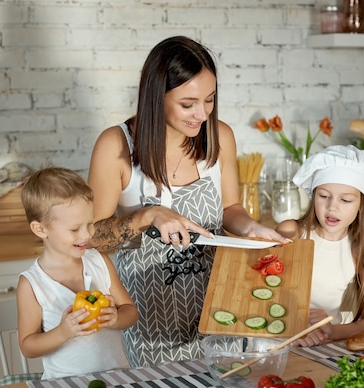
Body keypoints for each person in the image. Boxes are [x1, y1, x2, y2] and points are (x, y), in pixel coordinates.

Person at [87, 36, 288, 367]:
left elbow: (230, 210)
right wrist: (147, 215)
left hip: (220, 312)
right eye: (188, 104)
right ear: (156, 97)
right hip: (151, 322)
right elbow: (91, 236)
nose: (202, 113)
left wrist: (251, 227)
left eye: (209, 100)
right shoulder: (116, 145)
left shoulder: (219, 136)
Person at [17, 167, 138, 379]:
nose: (87, 234)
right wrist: (63, 332)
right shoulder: (32, 284)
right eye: (75, 229)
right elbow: (28, 347)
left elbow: (131, 312)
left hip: (115, 379)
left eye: (90, 224)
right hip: (63, 387)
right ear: (40, 229)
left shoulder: (99, 261)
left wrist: (115, 318)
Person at [275, 145, 364, 347]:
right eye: (324, 196)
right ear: (313, 196)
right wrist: (294, 326)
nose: (332, 207)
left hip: (325, 347)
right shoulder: (291, 233)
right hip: (278, 344)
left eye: (345, 199)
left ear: (361, 206)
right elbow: (261, 294)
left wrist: (334, 331)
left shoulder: (359, 251)